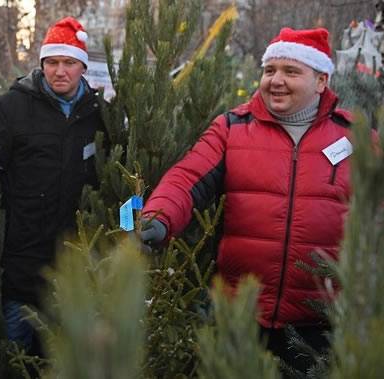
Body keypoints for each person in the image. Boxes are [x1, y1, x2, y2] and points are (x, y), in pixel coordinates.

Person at [140, 27, 352, 373]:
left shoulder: (354, 139)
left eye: (291, 71)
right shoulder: (232, 128)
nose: (276, 81)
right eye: (270, 71)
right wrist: (157, 218)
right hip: (240, 316)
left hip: (321, 325)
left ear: (321, 80)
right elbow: (186, 178)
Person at [0, 16, 105, 354]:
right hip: (20, 266)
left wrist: (127, 230)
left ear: (82, 67)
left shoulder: (101, 115)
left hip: (76, 269)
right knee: (15, 357)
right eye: (52, 62)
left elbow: (123, 183)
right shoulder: (10, 109)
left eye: (68, 63)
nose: (59, 71)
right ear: (42, 64)